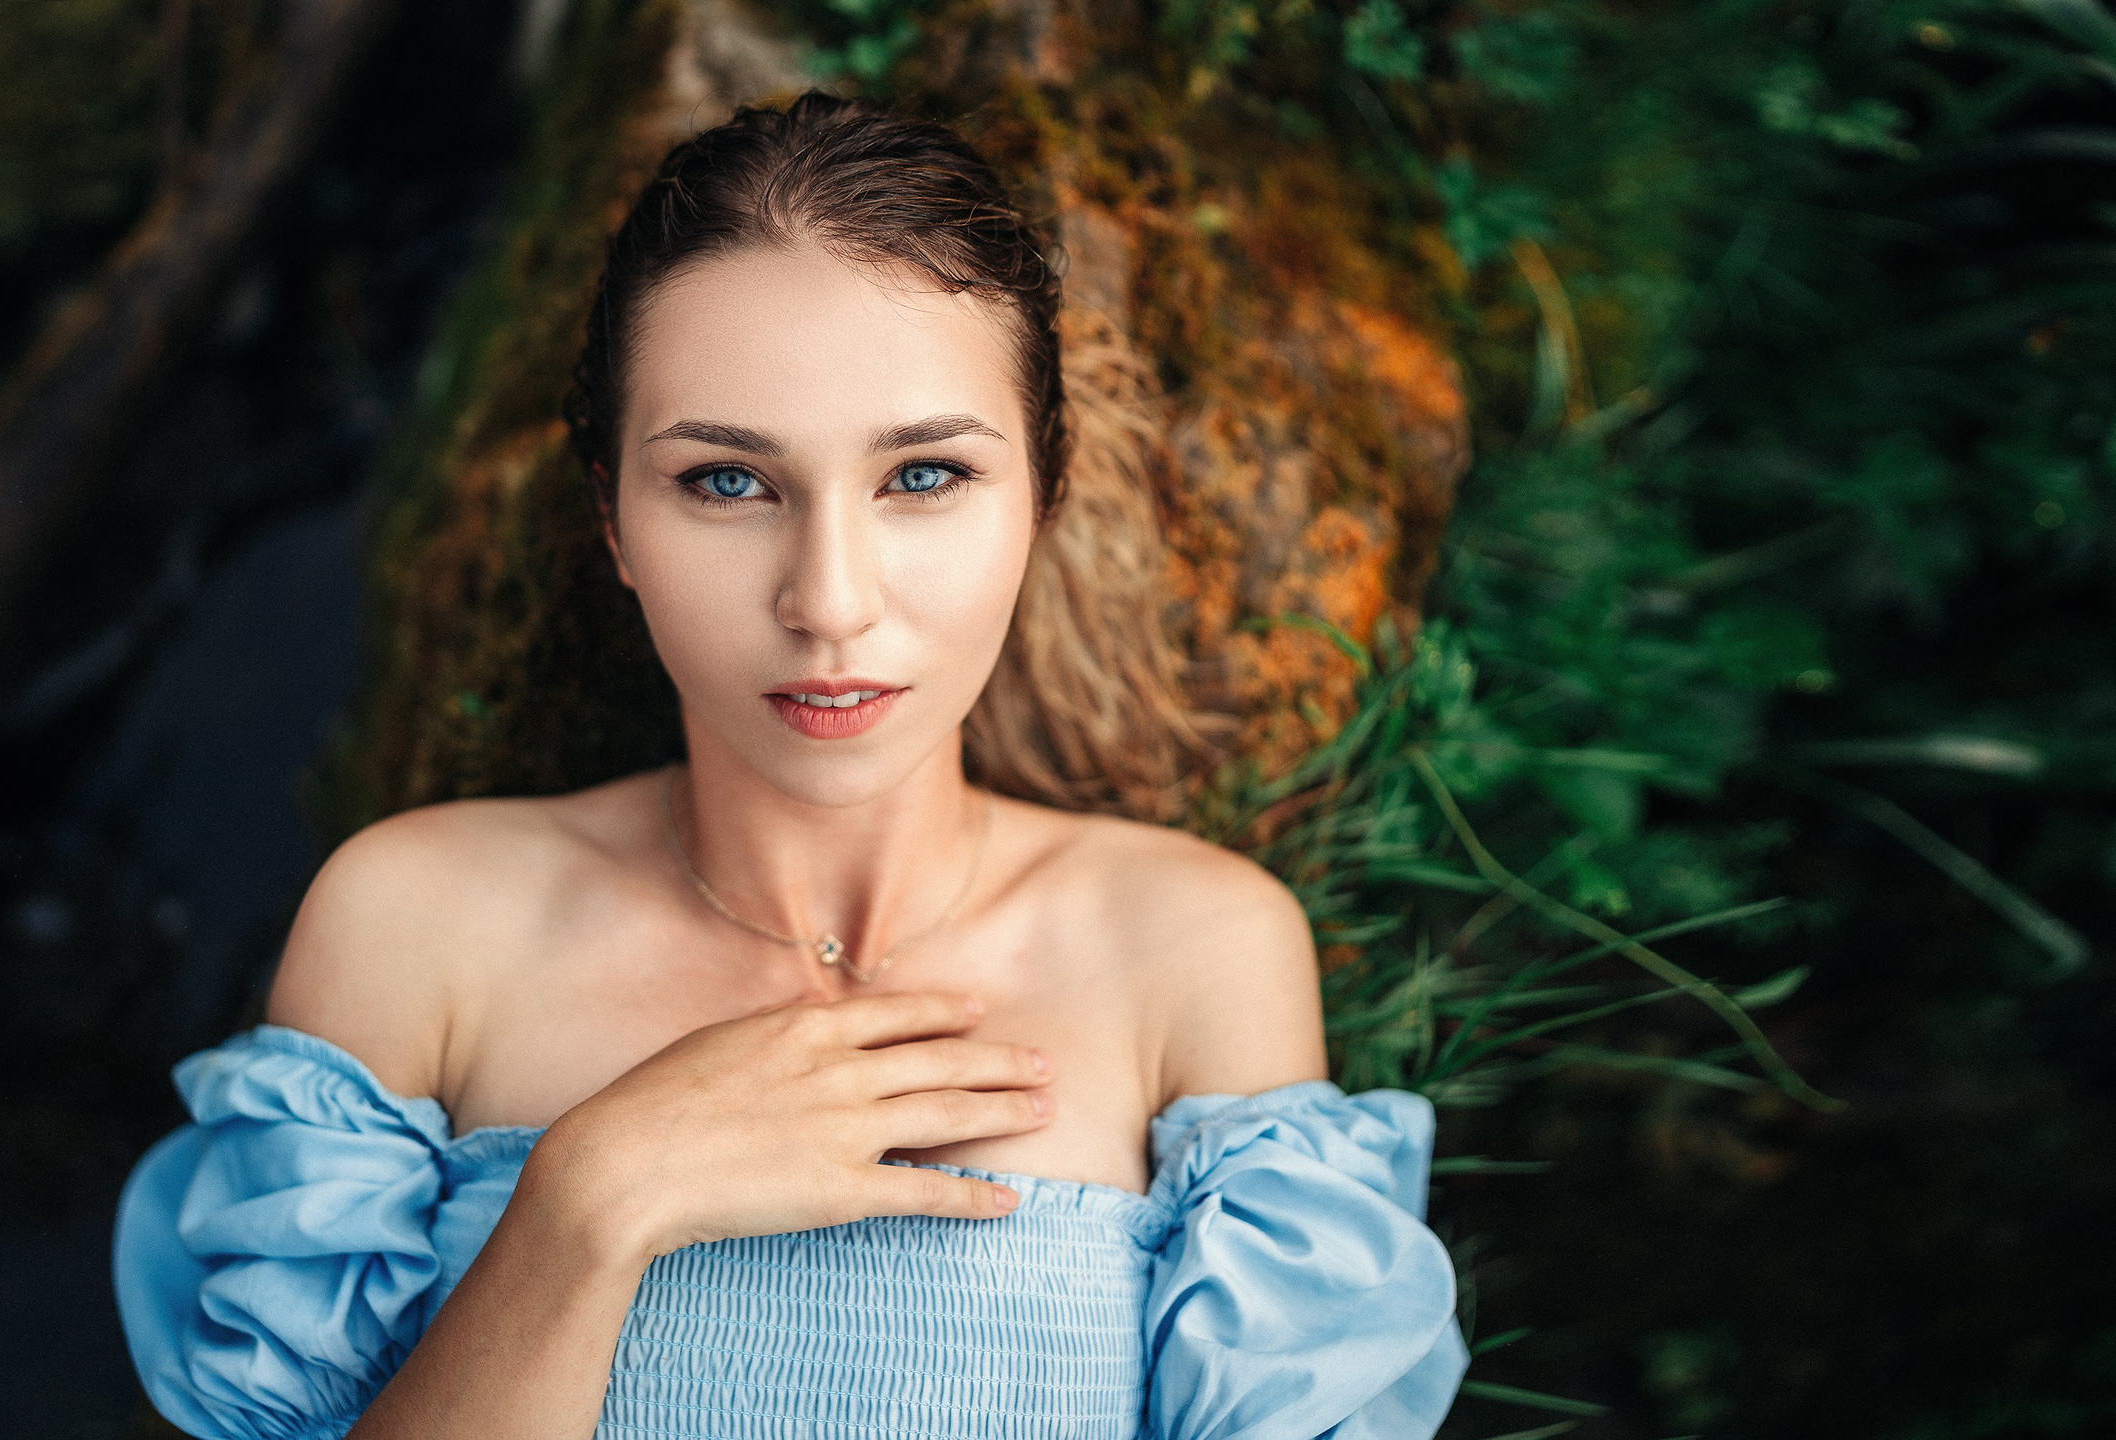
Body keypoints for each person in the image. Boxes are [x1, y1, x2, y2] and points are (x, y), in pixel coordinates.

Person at [112, 91, 1467, 1439]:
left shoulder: (1191, 949)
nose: (829, 602)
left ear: (1043, 494)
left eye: (924, 477)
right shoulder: (420, 918)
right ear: (615, 520)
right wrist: (594, 1196)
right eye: (728, 482)